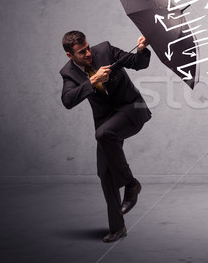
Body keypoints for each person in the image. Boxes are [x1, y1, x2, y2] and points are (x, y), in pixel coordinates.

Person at [59, 30, 151, 243]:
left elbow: (139, 63)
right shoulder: (68, 72)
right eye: (82, 52)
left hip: (132, 109)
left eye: (88, 48)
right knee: (105, 173)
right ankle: (118, 228)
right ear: (69, 55)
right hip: (107, 122)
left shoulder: (106, 50)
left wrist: (141, 48)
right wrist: (92, 82)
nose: (89, 53)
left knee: (102, 133)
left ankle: (131, 184)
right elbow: (67, 100)